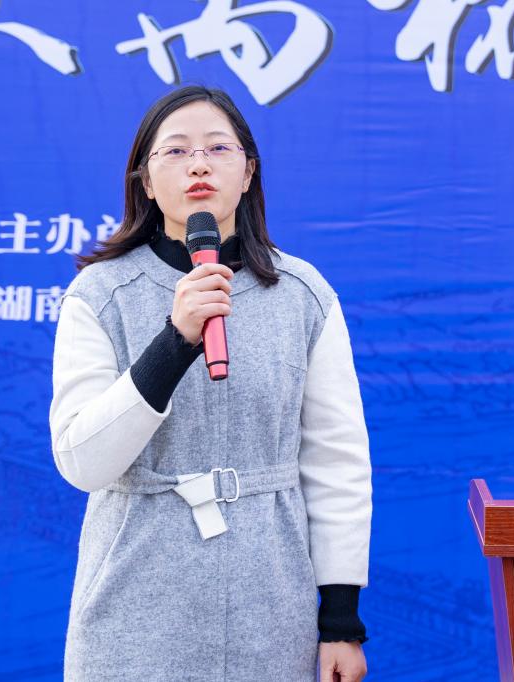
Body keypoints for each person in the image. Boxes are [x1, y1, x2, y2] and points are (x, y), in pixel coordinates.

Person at [48, 85, 372, 681]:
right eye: (175, 150)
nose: (198, 164)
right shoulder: (99, 294)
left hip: (270, 604)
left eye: (218, 148)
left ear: (248, 173)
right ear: (145, 181)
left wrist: (340, 622)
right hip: (133, 602)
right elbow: (82, 461)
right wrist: (176, 340)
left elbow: (337, 462)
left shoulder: (304, 295)